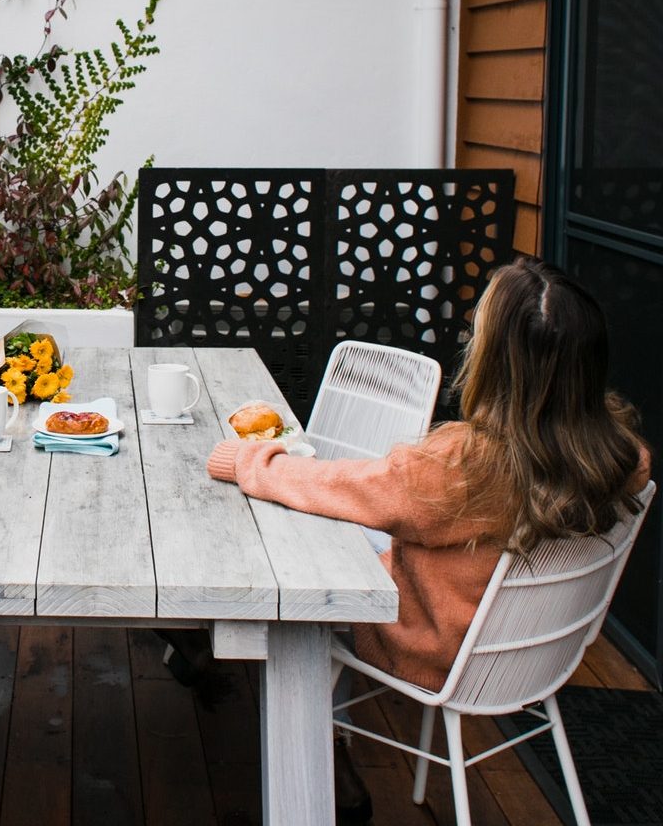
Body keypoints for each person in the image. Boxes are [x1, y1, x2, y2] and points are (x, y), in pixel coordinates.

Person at [204, 256, 652, 820]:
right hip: (528, 648)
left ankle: (321, 744)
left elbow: (347, 486)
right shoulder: (623, 457)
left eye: (477, 329)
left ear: (495, 359)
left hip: (427, 640)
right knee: (346, 519)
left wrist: (248, 460)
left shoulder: (464, 467)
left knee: (313, 546)